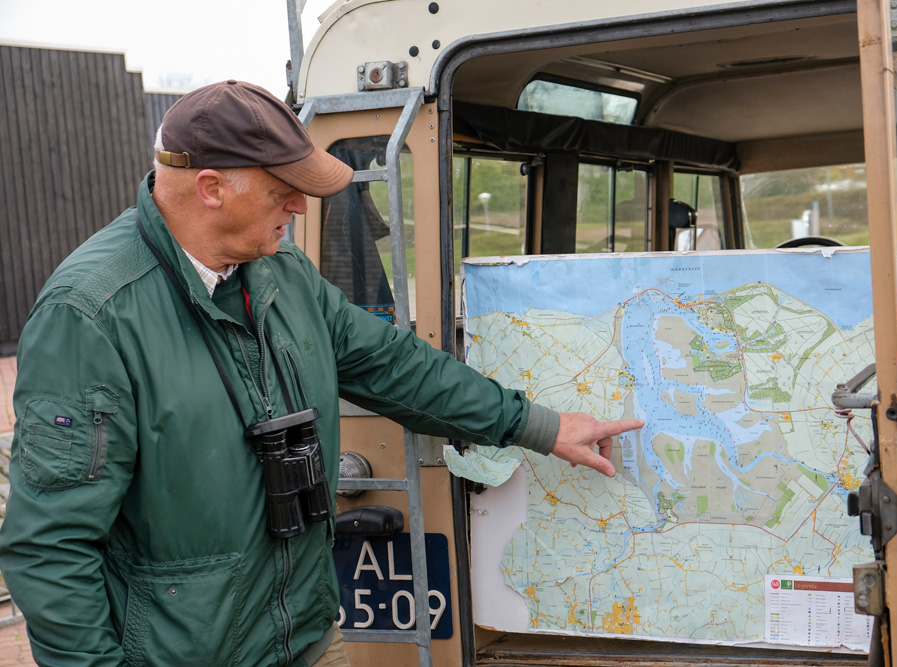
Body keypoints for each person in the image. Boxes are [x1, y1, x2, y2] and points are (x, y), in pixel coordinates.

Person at [0, 80, 643, 666]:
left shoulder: (283, 276)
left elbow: (397, 368)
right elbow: (51, 549)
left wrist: (539, 425)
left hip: (305, 638)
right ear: (212, 187)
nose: (300, 209)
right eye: (284, 190)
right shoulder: (90, 317)